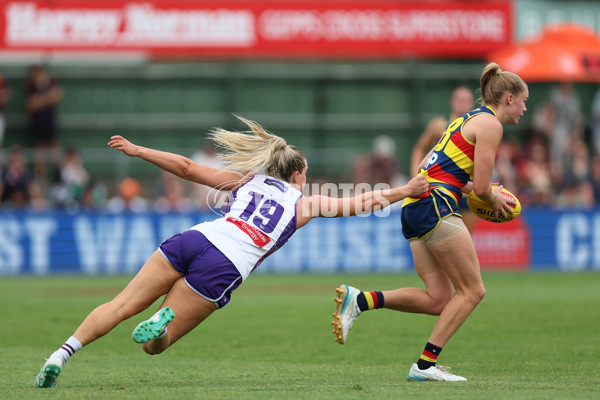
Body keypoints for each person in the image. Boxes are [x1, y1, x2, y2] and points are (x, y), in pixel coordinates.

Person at [35, 116, 429, 388]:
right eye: (304, 174)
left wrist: (140, 151)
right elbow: (364, 200)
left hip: (196, 238)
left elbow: (188, 168)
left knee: (121, 304)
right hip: (224, 265)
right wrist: (403, 192)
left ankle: (61, 354)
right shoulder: (303, 202)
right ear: (296, 175)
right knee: (156, 345)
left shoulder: (246, 181)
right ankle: (162, 320)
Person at [332, 63, 528, 382]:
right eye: (523, 99)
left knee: (439, 298)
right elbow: (479, 188)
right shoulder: (491, 125)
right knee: (472, 290)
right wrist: (494, 198)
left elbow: (429, 164)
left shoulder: (462, 121)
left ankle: (361, 300)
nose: (524, 107)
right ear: (508, 98)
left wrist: (482, 192)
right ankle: (424, 366)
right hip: (436, 205)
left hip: (415, 206)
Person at [409, 86, 477, 232]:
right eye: (459, 100)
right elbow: (420, 147)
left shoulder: (477, 126)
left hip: (467, 187)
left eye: (466, 101)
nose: (463, 104)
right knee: (442, 234)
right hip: (442, 186)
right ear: (452, 102)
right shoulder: (439, 124)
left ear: (472, 104)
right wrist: (415, 175)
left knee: (467, 236)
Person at [26, 64, 64, 178]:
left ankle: (58, 174)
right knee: (39, 148)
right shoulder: (31, 86)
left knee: (54, 146)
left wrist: (39, 100)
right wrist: (47, 98)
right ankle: (40, 175)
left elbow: (57, 96)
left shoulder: (51, 84)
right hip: (37, 122)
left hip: (49, 121)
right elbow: (31, 104)